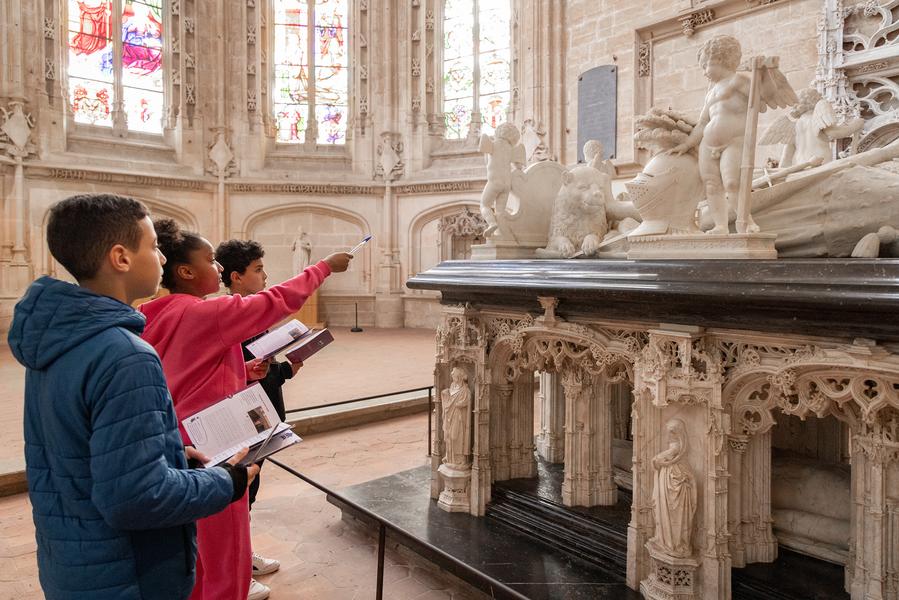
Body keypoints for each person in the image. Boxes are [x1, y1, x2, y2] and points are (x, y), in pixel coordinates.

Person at [8, 194, 258, 600]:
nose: (161, 259)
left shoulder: (58, 337)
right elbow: (137, 498)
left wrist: (171, 452)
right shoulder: (124, 353)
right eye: (154, 246)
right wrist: (225, 481)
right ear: (121, 258)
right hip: (129, 573)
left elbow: (80, 445)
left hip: (74, 560)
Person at [140, 219, 351, 600]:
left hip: (179, 440)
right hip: (216, 445)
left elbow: (188, 371)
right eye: (210, 260)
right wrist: (323, 267)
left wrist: (244, 371)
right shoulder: (205, 312)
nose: (218, 268)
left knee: (195, 544)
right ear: (186, 271)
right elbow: (277, 301)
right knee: (225, 549)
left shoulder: (157, 313)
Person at [215, 239, 300, 591]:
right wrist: (282, 370)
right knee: (236, 495)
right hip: (243, 415)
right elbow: (242, 372)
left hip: (262, 411)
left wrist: (286, 368)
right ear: (236, 277)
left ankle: (243, 557)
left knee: (248, 492)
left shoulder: (250, 313)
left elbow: (258, 366)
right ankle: (236, 575)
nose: (265, 276)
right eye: (259, 270)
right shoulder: (229, 317)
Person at [669, 35, 753, 234]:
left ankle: (747, 222)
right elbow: (703, 122)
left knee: (733, 183)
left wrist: (763, 74)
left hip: (734, 141)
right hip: (708, 143)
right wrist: (688, 144)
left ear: (722, 60)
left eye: (706, 65)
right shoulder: (711, 92)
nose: (705, 72)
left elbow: (760, 97)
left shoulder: (739, 81)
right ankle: (721, 226)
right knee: (712, 186)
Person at [478, 121, 526, 236]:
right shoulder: (512, 149)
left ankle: (491, 224)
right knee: (500, 211)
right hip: (507, 184)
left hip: (494, 181)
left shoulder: (492, 144)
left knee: (484, 205)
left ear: (498, 132)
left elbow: (486, 160)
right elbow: (519, 166)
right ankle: (502, 234)